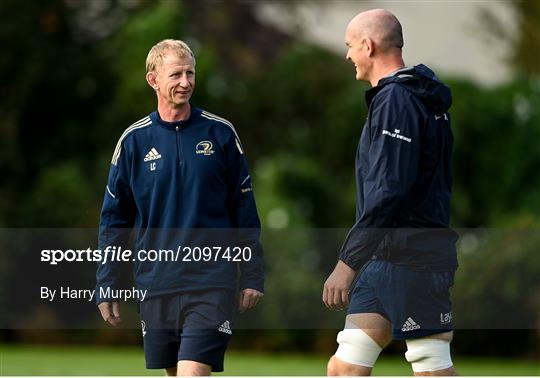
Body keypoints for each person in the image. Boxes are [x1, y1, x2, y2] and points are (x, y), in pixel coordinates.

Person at [95, 39, 264, 376]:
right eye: (176, 74)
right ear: (153, 80)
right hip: (156, 281)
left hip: (211, 281)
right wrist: (107, 282)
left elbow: (244, 209)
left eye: (190, 73)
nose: (186, 82)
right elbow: (114, 221)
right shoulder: (133, 142)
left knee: (191, 373)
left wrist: (252, 273)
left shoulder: (221, 134)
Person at [322, 9, 458, 376]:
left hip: (413, 260)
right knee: (344, 369)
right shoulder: (411, 97)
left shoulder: (397, 100)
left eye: (350, 46)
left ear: (368, 45)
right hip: (383, 258)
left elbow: (389, 191)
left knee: (431, 367)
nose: (348, 55)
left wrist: (346, 263)